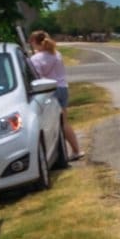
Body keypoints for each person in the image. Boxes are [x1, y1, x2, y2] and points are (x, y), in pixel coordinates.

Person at [27, 30, 82, 162]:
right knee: (64, 121)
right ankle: (75, 149)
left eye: (32, 43)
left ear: (35, 42)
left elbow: (38, 78)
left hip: (51, 90)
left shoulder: (36, 59)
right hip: (63, 88)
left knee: (55, 122)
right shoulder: (56, 54)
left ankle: (65, 151)